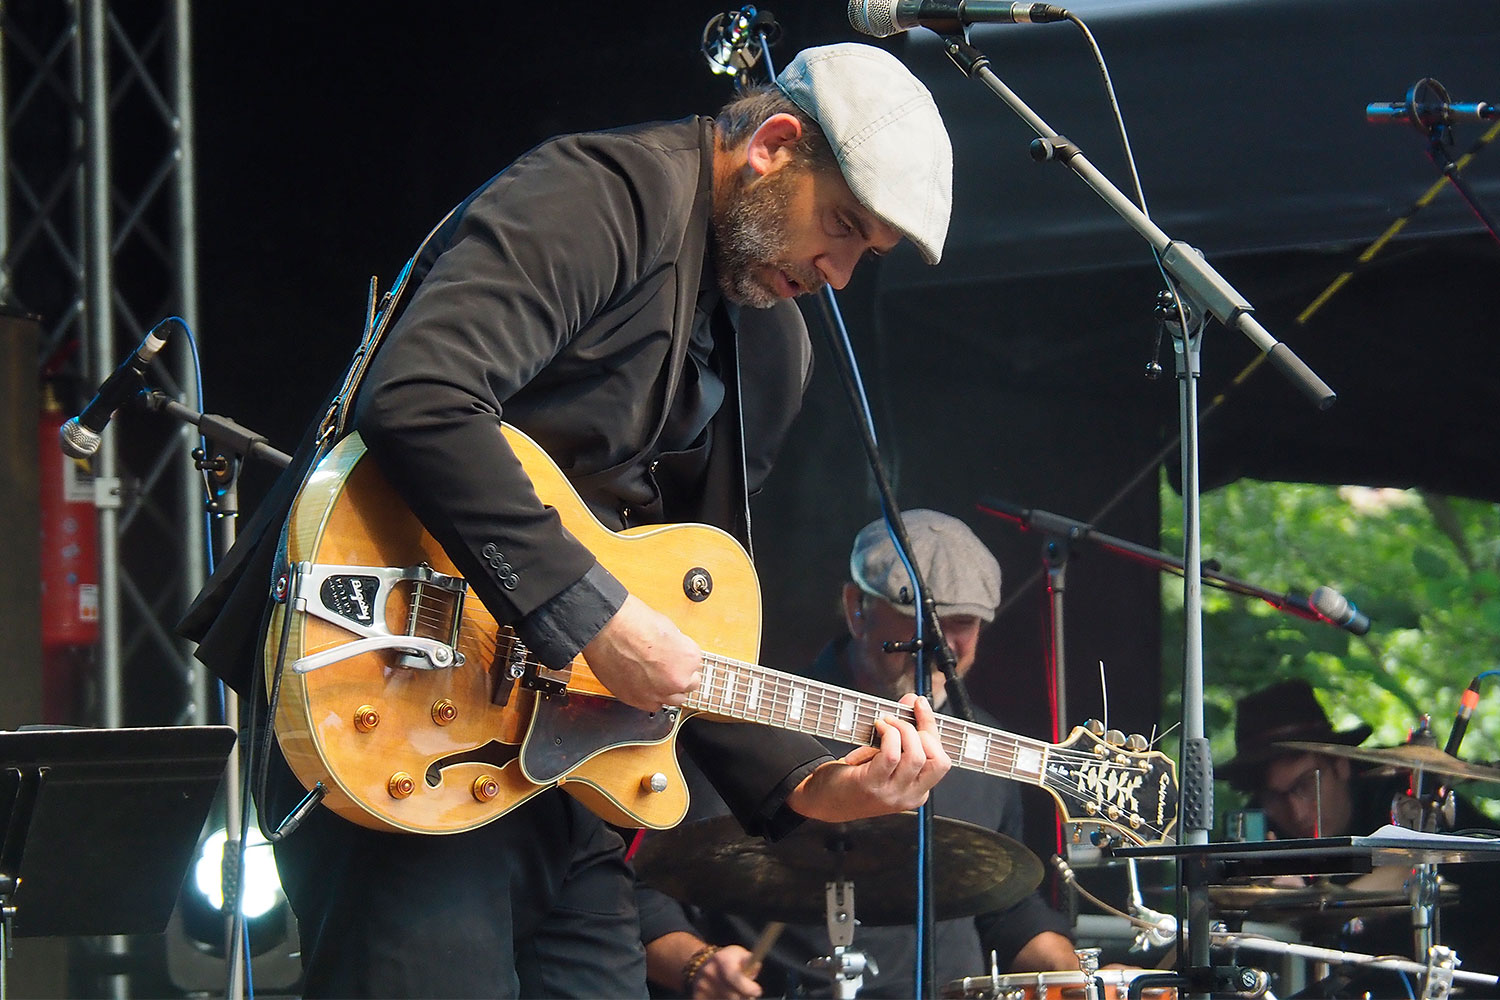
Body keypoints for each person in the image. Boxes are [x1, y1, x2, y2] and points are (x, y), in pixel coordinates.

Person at [179, 43, 959, 999]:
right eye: (838, 227)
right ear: (774, 146)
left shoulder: (771, 345)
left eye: (863, 254)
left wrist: (806, 789)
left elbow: (690, 610)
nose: (838, 273)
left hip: (556, 769)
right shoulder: (598, 195)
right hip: (394, 698)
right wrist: (595, 615)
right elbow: (421, 395)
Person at [638, 510, 1079, 999]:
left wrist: (1075, 977)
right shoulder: (753, 722)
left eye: (962, 624)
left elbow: (1007, 908)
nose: (942, 647)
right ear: (856, 608)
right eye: (921, 623)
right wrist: (695, 965)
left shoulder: (989, 744)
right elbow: (647, 886)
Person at [1220, 679, 1500, 977]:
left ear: (1340, 764)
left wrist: (1303, 904)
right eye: (1274, 796)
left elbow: (1435, 868)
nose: (1296, 811)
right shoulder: (1254, 826)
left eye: (1304, 786)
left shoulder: (1406, 801)